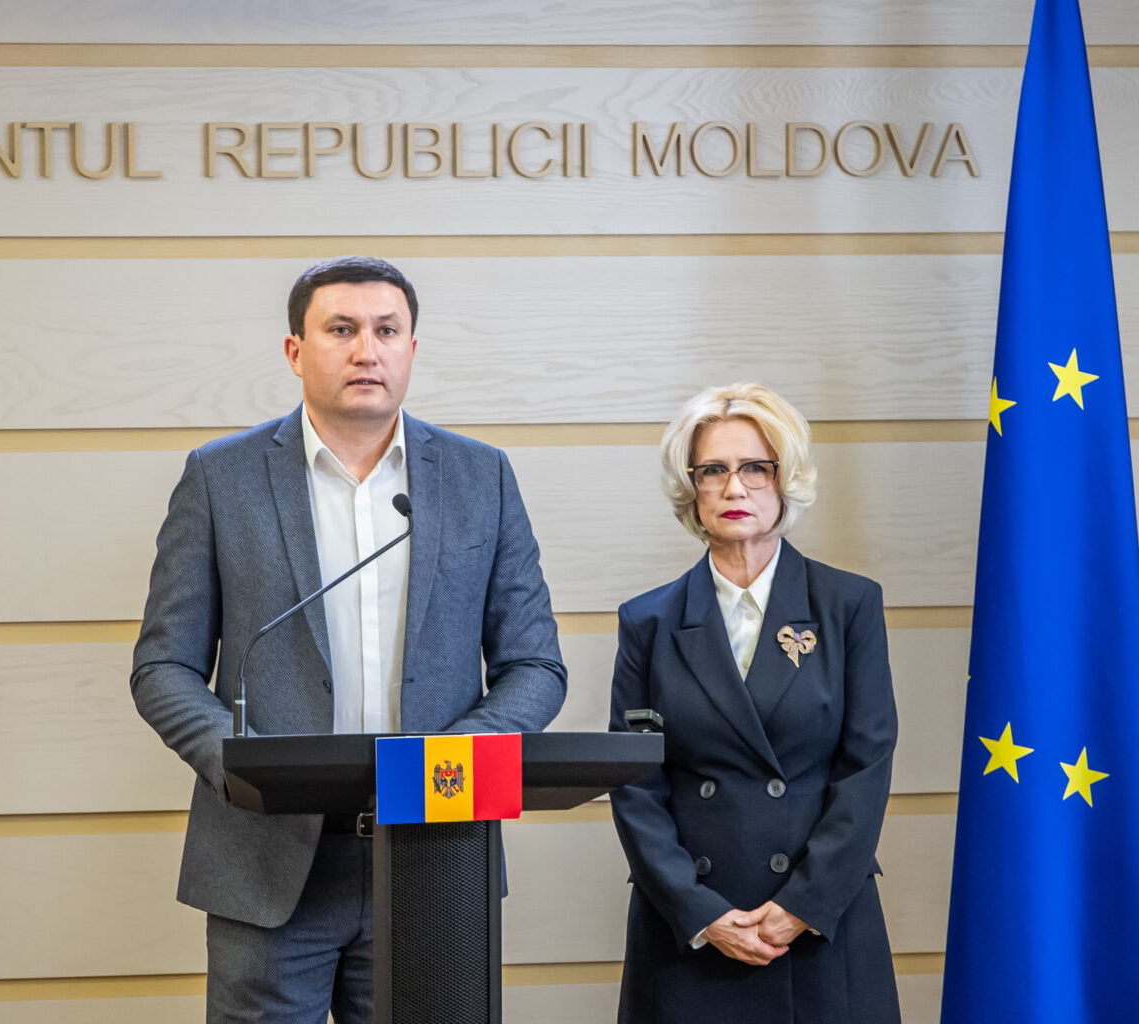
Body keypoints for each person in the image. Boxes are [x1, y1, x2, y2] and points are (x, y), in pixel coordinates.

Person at [131, 255, 567, 1024]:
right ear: (295, 351)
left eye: (386, 330)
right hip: (267, 860)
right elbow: (164, 666)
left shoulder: (481, 478)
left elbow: (535, 666)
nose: (367, 350)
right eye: (341, 329)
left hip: (435, 849)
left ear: (412, 349)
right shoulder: (220, 478)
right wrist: (242, 766)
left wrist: (444, 767)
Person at [608, 382, 900, 1024]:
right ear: (691, 488)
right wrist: (700, 912)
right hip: (691, 930)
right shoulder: (647, 621)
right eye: (713, 470)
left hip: (818, 925)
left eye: (754, 468)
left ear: (785, 478)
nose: (734, 488)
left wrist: (802, 906)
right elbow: (634, 784)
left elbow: (866, 767)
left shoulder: (848, 605)